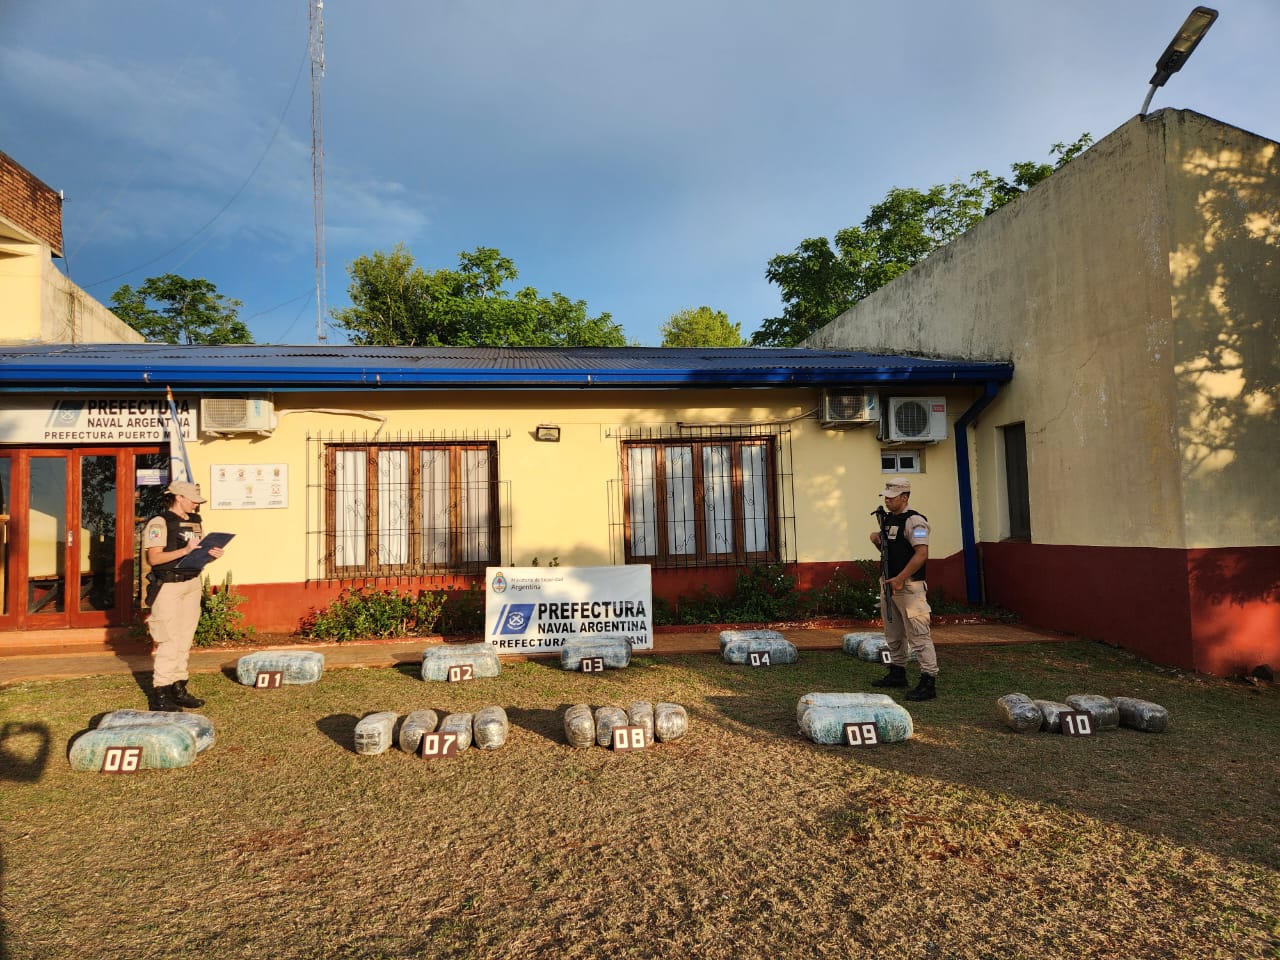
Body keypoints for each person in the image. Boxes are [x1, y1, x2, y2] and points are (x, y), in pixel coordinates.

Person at [143, 480, 224, 711]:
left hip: (191, 584)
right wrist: (184, 551)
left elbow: (198, 552)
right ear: (179, 497)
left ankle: (179, 688)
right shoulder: (159, 523)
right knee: (169, 639)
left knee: (185, 638)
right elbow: (154, 559)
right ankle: (160, 693)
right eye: (193, 500)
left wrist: (212, 554)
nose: (196, 506)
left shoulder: (196, 521)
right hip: (168, 586)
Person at [868, 477, 938, 701]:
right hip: (890, 585)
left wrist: (900, 578)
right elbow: (892, 549)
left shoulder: (915, 522)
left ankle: (928, 680)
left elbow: (922, 554)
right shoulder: (889, 519)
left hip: (909, 587)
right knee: (893, 632)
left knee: (919, 635)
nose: (887, 501)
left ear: (905, 497)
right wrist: (877, 541)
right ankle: (897, 672)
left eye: (892, 497)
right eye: (885, 497)